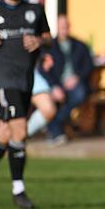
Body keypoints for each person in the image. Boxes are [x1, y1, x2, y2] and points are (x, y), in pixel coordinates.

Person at [0, 0, 52, 209]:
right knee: (20, 130)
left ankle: (17, 187)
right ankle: (19, 190)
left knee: (5, 135)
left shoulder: (35, 8)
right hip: (2, 80)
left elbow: (49, 38)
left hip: (26, 80)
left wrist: (39, 41)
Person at [39, 14, 94, 145]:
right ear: (57, 27)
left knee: (79, 94)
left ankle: (54, 127)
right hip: (57, 85)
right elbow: (43, 69)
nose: (64, 28)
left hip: (76, 83)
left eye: (66, 26)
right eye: (61, 26)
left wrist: (77, 77)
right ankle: (56, 130)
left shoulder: (80, 45)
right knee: (48, 101)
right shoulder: (49, 47)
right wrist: (54, 86)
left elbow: (89, 65)